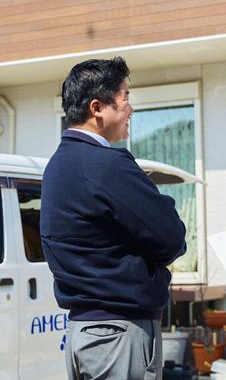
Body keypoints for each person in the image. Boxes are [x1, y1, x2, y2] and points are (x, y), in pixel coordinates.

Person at [41, 56, 187, 380]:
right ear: (97, 108)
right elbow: (172, 238)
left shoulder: (56, 167)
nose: (130, 109)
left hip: (82, 332)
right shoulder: (106, 165)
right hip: (120, 333)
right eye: (125, 97)